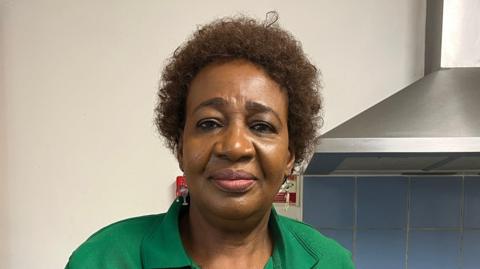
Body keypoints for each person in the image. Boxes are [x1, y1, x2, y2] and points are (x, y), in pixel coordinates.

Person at [65, 13, 354, 269]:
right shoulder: (104, 260)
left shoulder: (329, 263)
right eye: (209, 123)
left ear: (290, 155)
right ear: (179, 147)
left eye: (261, 126)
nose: (235, 147)